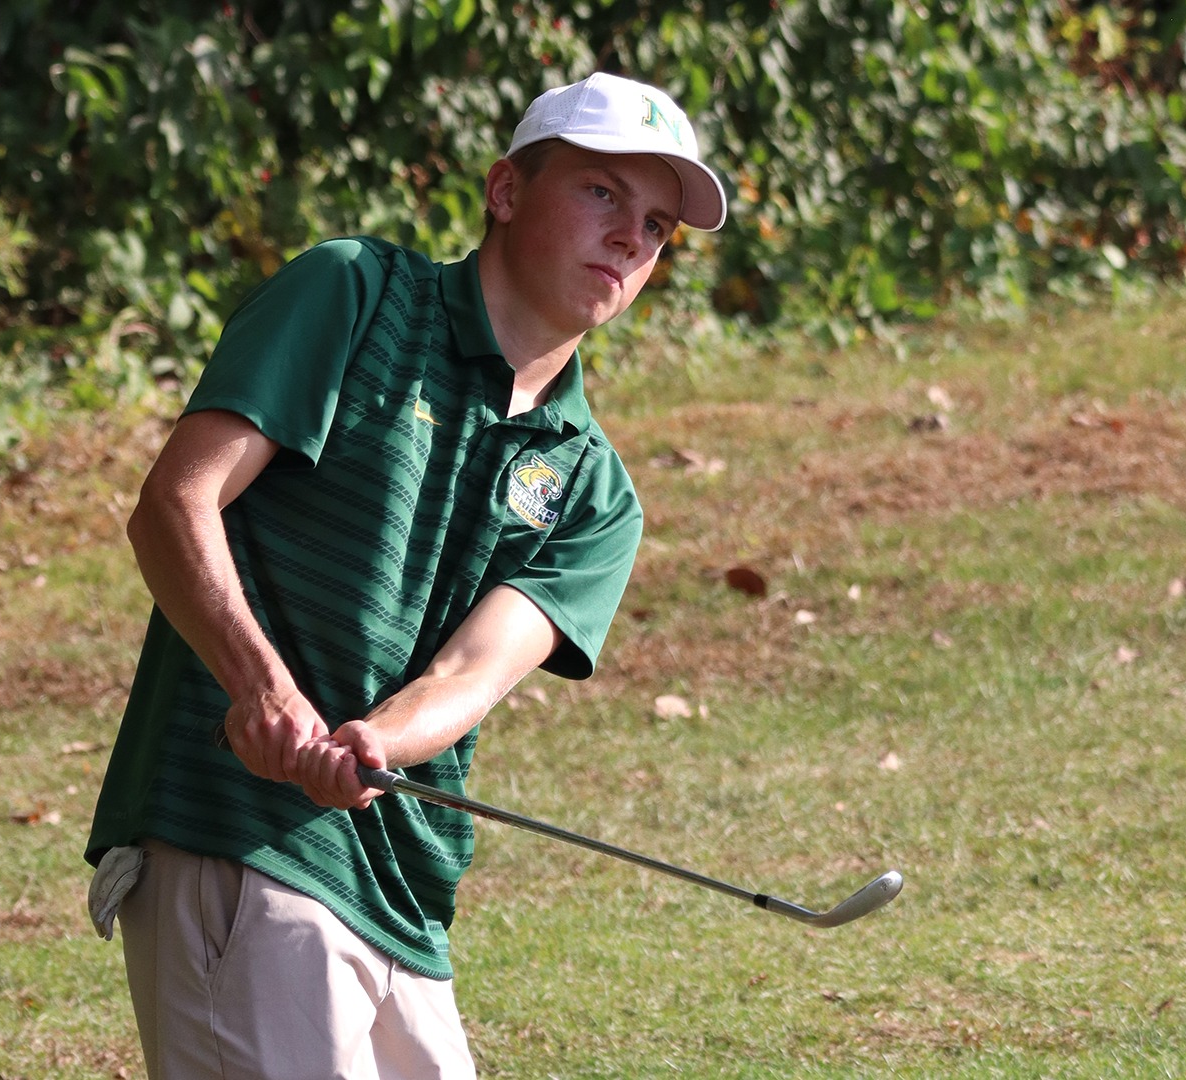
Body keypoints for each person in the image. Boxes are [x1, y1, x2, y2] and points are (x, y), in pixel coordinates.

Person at [84, 71, 728, 1079]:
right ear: (506, 190)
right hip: (241, 838)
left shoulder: (596, 490)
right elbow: (174, 505)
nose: (630, 238)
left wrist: (375, 740)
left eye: (655, 226)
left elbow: (471, 675)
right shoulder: (354, 296)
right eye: (602, 193)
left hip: (404, 894)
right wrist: (263, 692)